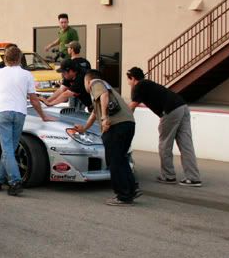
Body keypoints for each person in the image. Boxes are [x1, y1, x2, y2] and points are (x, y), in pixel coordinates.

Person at [0, 46, 55, 196]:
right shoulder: (27, 75)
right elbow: (34, 99)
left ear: (5, 59)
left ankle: (15, 181)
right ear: (20, 59)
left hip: (3, 111)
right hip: (20, 112)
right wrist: (43, 115)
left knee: (7, 149)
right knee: (10, 149)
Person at [127, 66, 202, 187]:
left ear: (133, 78)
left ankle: (168, 176)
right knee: (186, 145)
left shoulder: (139, 86)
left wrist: (124, 121)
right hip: (183, 106)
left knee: (165, 144)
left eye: (129, 80)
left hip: (170, 110)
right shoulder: (148, 84)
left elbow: (131, 107)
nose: (128, 83)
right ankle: (193, 178)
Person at [74, 69, 139, 206]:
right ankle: (131, 189)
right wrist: (84, 128)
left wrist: (104, 117)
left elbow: (103, 95)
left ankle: (123, 195)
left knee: (114, 160)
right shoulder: (105, 88)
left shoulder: (95, 83)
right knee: (121, 159)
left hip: (116, 126)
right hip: (128, 124)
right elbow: (94, 113)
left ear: (87, 80)